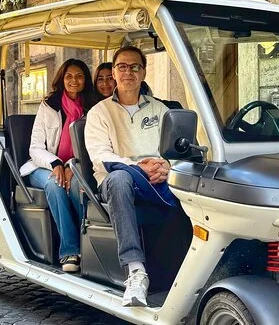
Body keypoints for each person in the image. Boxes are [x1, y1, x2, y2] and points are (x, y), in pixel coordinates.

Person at [85, 46, 171, 307]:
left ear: (143, 72)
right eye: (122, 66)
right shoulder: (99, 112)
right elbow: (100, 155)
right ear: (113, 72)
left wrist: (166, 166)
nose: (128, 72)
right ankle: (135, 271)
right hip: (117, 179)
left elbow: (176, 149)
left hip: (157, 179)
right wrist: (137, 168)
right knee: (120, 179)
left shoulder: (161, 110)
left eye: (135, 67)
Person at [20, 58, 98, 273]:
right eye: (69, 76)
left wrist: (71, 165)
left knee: (77, 187)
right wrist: (55, 163)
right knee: (56, 185)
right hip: (42, 166)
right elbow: (35, 147)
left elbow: (91, 145)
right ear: (62, 79)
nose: (74, 80)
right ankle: (69, 250)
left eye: (79, 76)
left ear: (85, 80)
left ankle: (89, 245)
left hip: (76, 167)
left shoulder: (92, 107)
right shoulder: (48, 106)